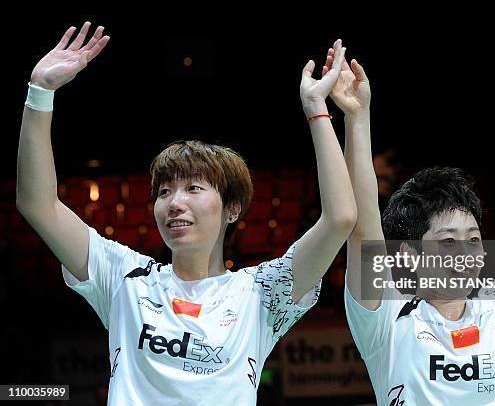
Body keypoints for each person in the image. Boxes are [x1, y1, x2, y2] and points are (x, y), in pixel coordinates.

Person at [16, 22, 357, 405]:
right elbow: (38, 205)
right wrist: (40, 93)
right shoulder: (125, 279)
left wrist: (315, 109)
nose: (174, 202)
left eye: (193, 189)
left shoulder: (260, 293)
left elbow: (341, 218)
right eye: (164, 192)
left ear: (232, 209)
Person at [323, 47, 495, 404]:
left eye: (474, 238)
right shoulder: (386, 319)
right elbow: (363, 228)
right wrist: (357, 118)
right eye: (448, 240)